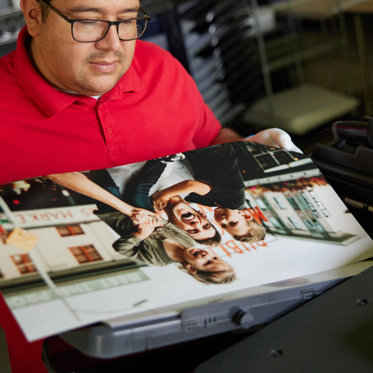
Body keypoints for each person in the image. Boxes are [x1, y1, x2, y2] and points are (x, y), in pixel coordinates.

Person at [0, 0, 301, 371]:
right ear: (34, 15)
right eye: (89, 22)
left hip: (212, 344)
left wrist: (251, 147)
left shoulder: (159, 67)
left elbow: (210, 137)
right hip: (72, 356)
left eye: (127, 20)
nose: (113, 44)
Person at [98, 211, 235, 284]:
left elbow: (121, 248)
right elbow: (167, 224)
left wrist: (139, 235)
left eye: (207, 263)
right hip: (136, 207)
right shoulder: (189, 241)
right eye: (214, 257)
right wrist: (154, 221)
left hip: (112, 214)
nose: (207, 255)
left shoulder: (159, 260)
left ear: (192, 268)